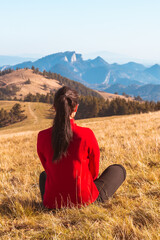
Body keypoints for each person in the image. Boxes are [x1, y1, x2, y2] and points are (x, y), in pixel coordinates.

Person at [37, 86, 126, 209]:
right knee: (118, 170)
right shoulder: (86, 134)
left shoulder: (42, 136)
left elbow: (47, 168)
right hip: (84, 200)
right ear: (76, 108)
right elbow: (93, 173)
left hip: (52, 204)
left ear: (54, 107)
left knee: (44, 176)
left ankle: (54, 198)